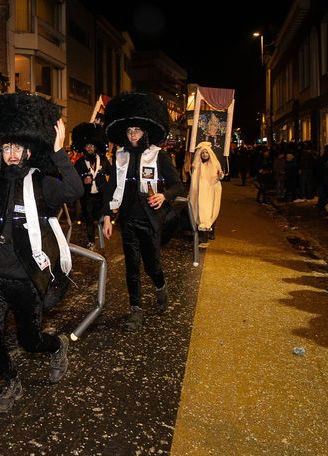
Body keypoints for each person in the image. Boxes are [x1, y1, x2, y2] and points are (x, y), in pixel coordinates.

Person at [0, 92, 80, 414]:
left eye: (17, 148)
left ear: (28, 150)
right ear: (1, 151)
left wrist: (59, 152)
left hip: (28, 277)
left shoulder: (40, 182)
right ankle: (11, 382)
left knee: (30, 341)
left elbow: (74, 190)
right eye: (6, 148)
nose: (12, 154)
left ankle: (57, 346)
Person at [101, 92, 184, 332]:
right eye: (129, 131)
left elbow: (178, 185)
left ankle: (160, 287)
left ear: (145, 131)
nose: (133, 134)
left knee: (152, 265)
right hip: (127, 219)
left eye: (136, 130)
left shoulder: (159, 156)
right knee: (131, 266)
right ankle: (135, 309)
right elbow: (110, 188)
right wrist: (107, 216)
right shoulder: (119, 157)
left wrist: (164, 195)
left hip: (151, 220)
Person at [71, 122, 108, 250]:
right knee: (89, 220)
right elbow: (74, 179)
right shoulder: (80, 162)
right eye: (87, 146)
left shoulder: (103, 160)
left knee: (102, 217)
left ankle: (103, 233)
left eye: (92, 146)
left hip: (102, 195)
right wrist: (82, 180)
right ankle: (91, 241)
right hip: (87, 197)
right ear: (84, 148)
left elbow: (111, 174)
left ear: (96, 147)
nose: (90, 148)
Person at [188, 142, 224, 246]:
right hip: (198, 192)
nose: (204, 155)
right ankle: (202, 236)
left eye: (206, 153)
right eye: (202, 153)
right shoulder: (197, 164)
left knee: (209, 211)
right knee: (199, 212)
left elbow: (219, 176)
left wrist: (220, 175)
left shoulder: (215, 164)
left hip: (210, 192)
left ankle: (208, 234)